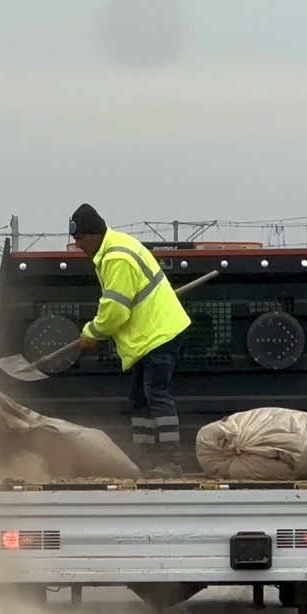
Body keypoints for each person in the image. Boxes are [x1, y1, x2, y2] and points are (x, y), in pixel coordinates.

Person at [69, 203, 192, 474]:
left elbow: (115, 310)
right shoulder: (113, 249)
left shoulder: (117, 257)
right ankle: (144, 460)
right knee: (140, 398)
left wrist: (91, 332)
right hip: (146, 337)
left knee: (156, 394)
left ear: (94, 234)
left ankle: (172, 462)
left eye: (79, 239)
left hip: (159, 334)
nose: (77, 245)